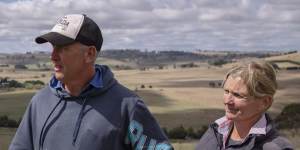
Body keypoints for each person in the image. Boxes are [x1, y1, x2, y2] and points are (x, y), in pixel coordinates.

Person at [9, 14, 173, 150]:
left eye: (63, 48)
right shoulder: (40, 101)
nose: (53, 56)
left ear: (90, 54)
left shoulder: (128, 107)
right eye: (53, 47)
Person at [196, 60, 294, 150]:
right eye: (226, 91)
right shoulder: (215, 132)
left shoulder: (276, 147)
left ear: (265, 102)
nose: (227, 101)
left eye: (237, 95)